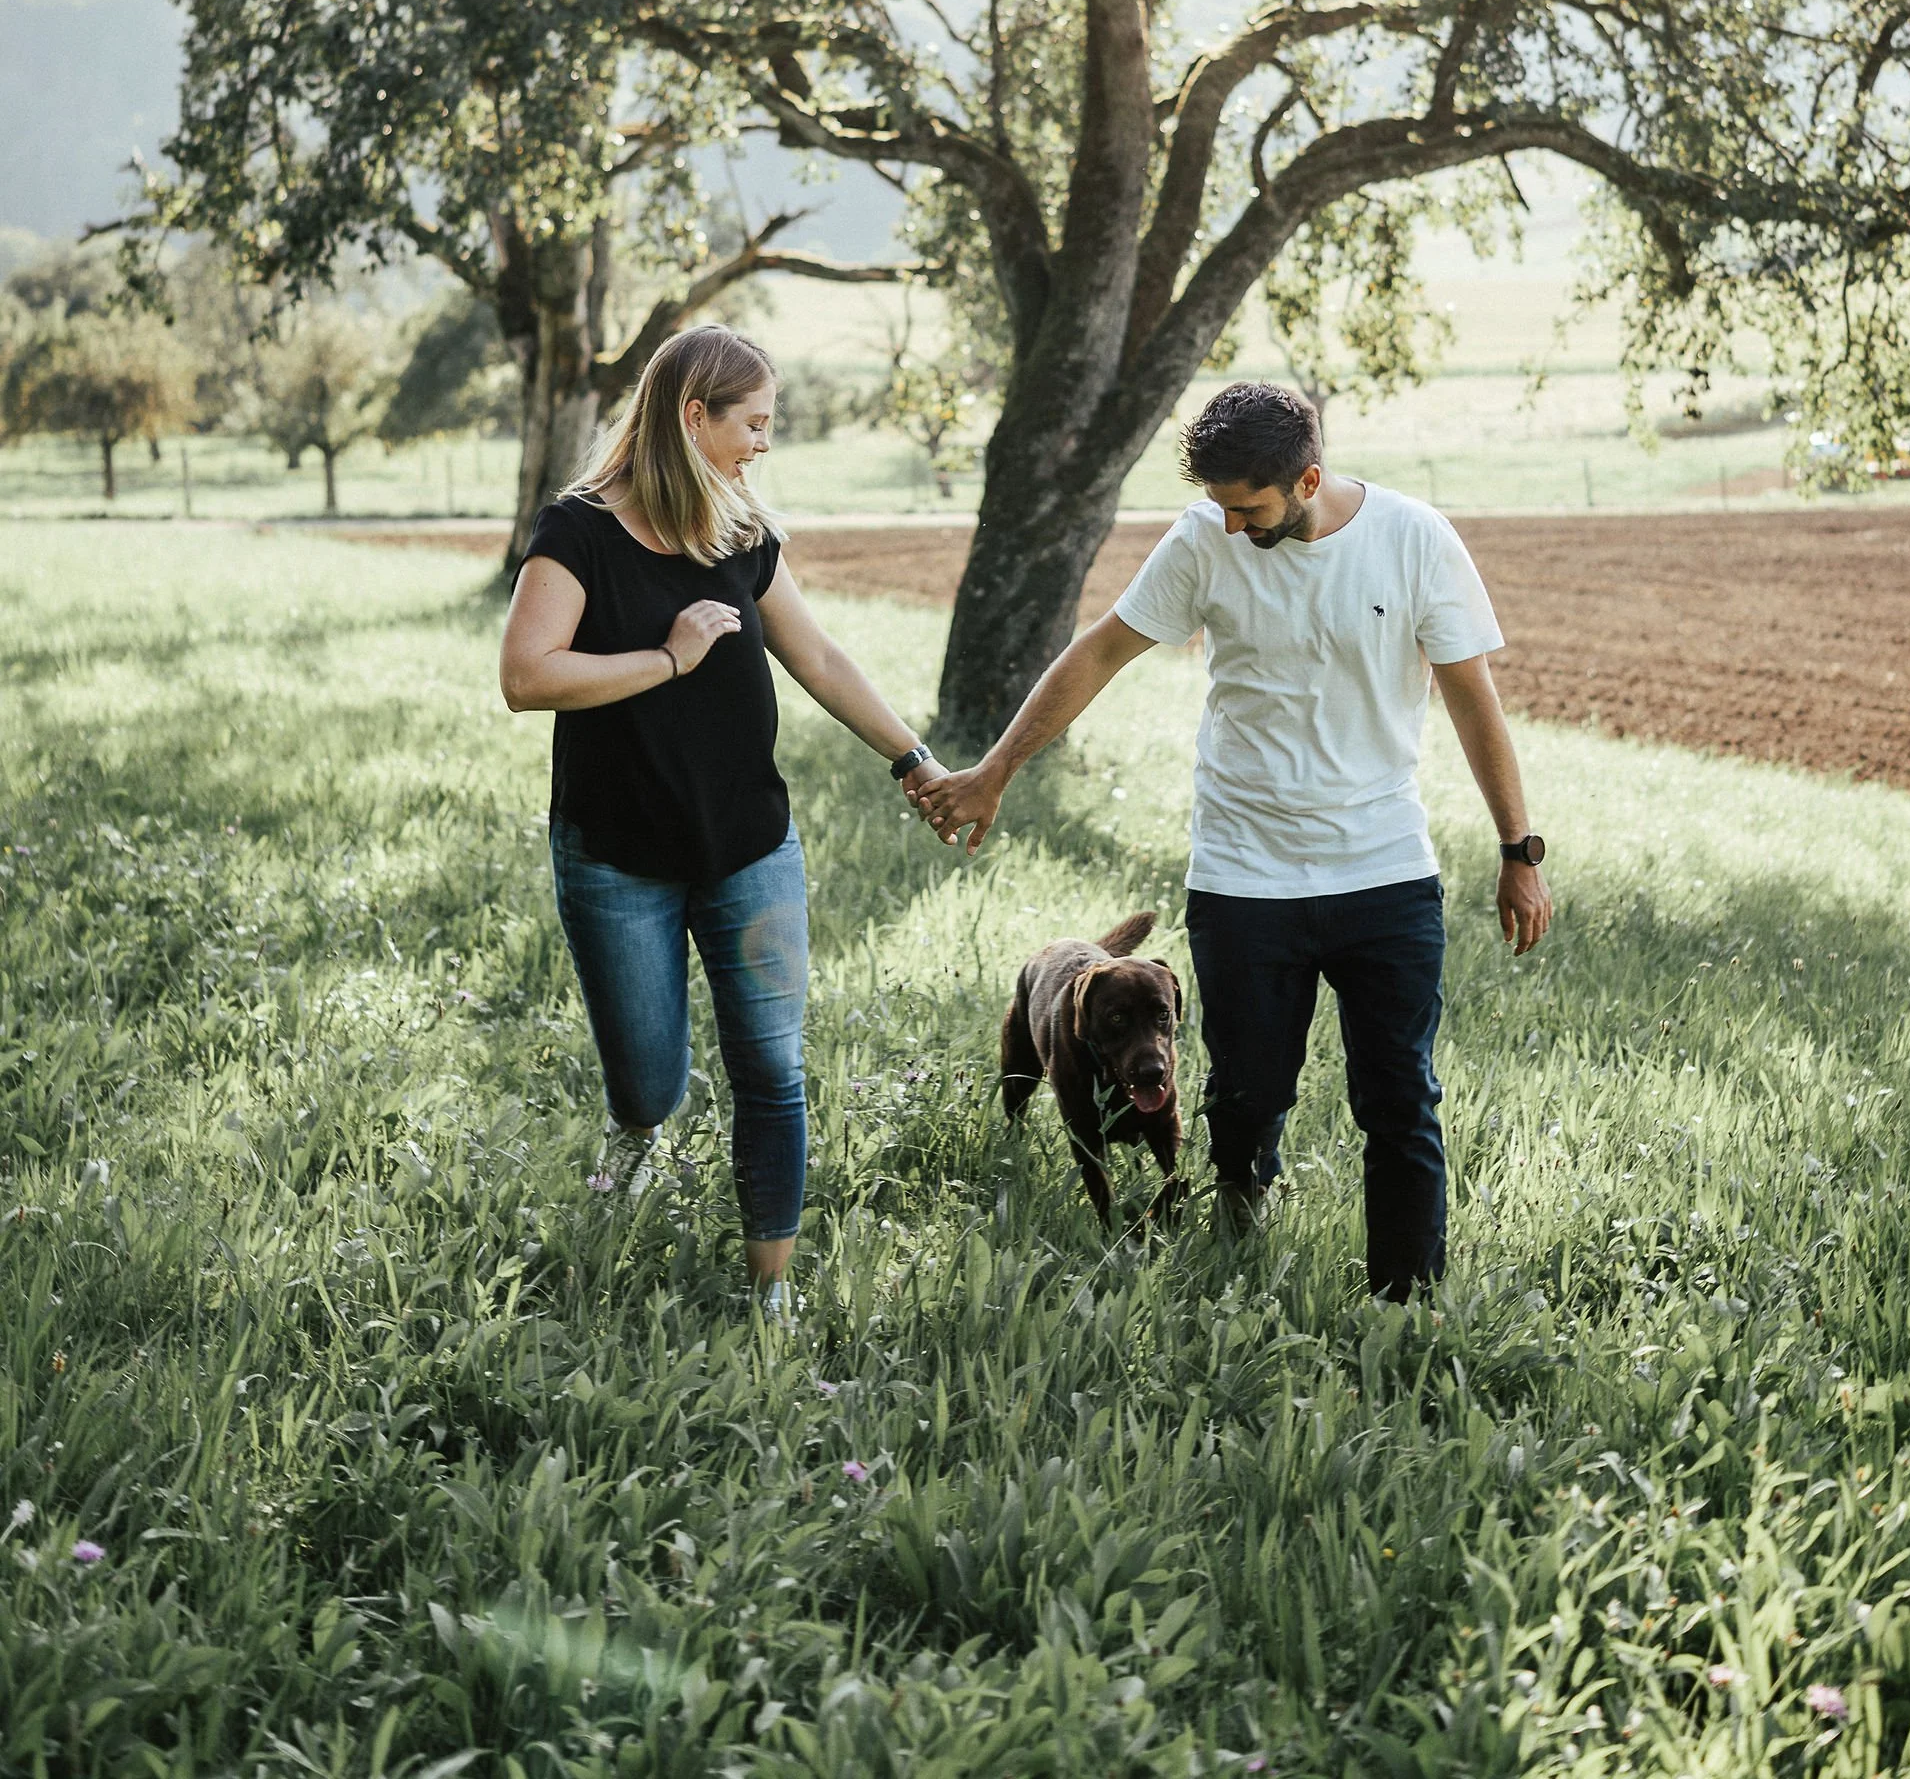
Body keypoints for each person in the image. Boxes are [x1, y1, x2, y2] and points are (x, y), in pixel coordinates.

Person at [915, 379, 1552, 1296]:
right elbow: (1099, 650)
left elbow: (1473, 701)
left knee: (1401, 1101)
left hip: (1383, 871)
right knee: (1246, 1095)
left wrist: (1517, 851)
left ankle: (1407, 1303)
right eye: (1217, 506)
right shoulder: (1201, 541)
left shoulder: (1414, 540)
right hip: (1243, 873)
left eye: (1248, 508)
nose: (1228, 526)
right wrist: (993, 771)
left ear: (1308, 478)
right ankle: (1238, 1240)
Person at [499, 322, 942, 1318]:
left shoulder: (739, 530)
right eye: (753, 421)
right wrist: (667, 658)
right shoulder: (577, 533)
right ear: (691, 416)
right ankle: (637, 1137)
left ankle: (768, 1294)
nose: (763, 443)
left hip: (749, 849)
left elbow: (818, 660)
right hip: (617, 859)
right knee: (650, 1084)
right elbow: (526, 677)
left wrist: (913, 760)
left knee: (772, 1073)